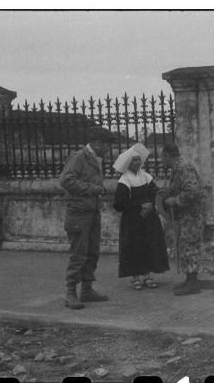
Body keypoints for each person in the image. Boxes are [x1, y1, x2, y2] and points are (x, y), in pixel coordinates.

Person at [59, 126, 116, 309]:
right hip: (78, 213)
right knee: (79, 254)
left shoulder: (94, 158)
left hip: (91, 212)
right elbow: (66, 180)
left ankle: (87, 289)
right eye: (106, 145)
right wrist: (93, 189)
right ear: (97, 143)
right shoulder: (78, 157)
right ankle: (70, 293)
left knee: (92, 252)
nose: (108, 150)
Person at [112, 143, 170, 289]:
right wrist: (139, 205)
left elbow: (154, 193)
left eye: (138, 159)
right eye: (134, 160)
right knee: (134, 247)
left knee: (149, 245)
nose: (137, 162)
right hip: (132, 221)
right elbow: (119, 204)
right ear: (128, 163)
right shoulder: (124, 181)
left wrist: (152, 202)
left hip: (148, 218)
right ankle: (135, 277)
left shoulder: (146, 176)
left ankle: (147, 276)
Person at [160, 142, 205, 296]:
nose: (161, 161)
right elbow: (181, 187)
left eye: (162, 157)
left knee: (190, 246)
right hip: (186, 216)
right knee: (185, 247)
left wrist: (176, 200)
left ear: (167, 155)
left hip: (191, 216)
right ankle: (189, 280)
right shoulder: (177, 169)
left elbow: (193, 191)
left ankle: (192, 283)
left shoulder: (183, 168)